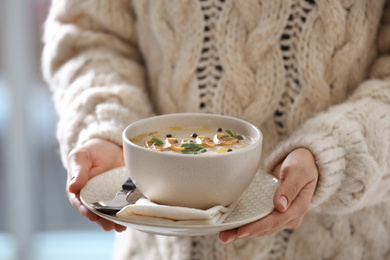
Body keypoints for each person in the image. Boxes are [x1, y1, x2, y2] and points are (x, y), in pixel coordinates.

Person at [42, 0, 390, 259]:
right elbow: (91, 36)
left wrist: (335, 154)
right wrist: (106, 127)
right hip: (159, 250)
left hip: (343, 246)